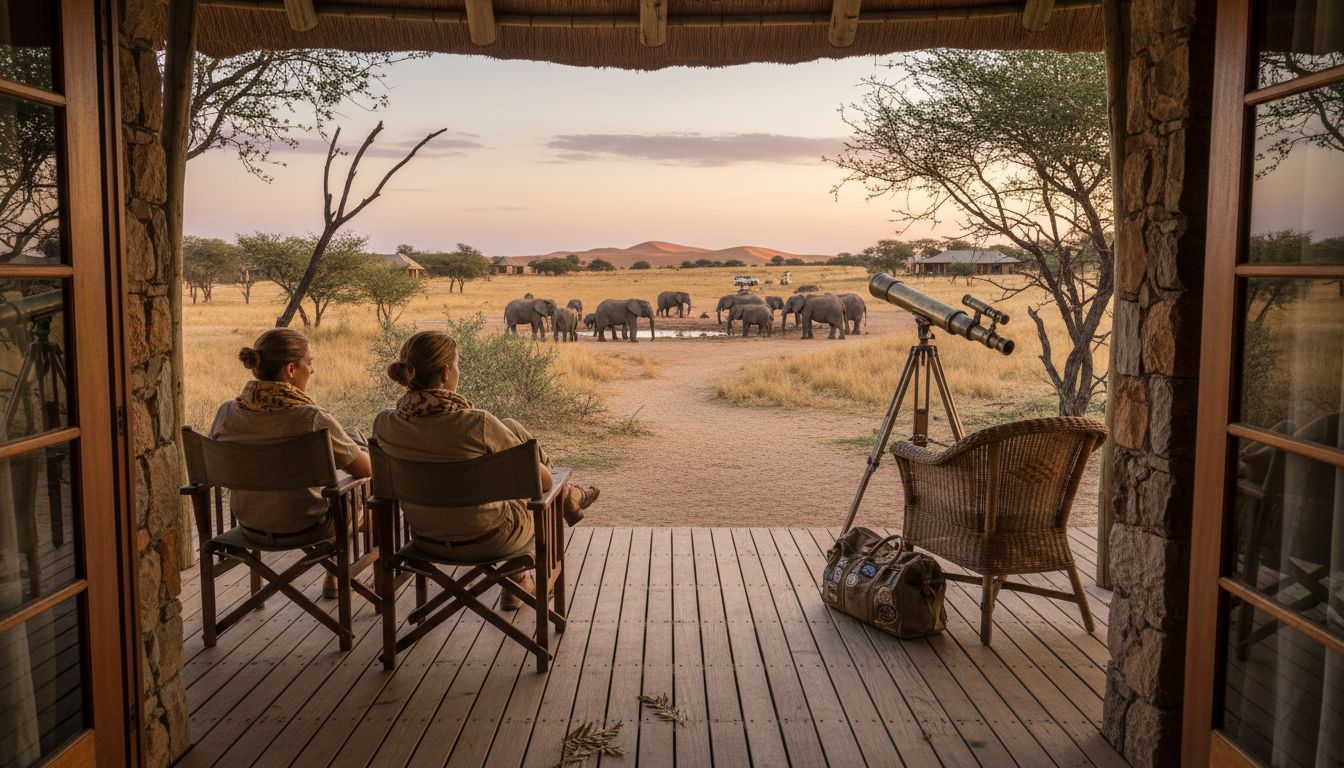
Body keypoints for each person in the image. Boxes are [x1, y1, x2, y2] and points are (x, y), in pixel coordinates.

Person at [373, 330, 598, 610]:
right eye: (456, 364)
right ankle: (566, 501)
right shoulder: (477, 424)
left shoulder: (385, 424)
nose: (458, 370)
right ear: (445, 373)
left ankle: (522, 575)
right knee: (538, 482)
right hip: (491, 538)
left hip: (425, 536)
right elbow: (541, 482)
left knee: (511, 427)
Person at [209, 328, 370, 599]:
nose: (313, 370)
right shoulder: (311, 418)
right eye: (310, 362)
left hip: (250, 523)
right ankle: (345, 577)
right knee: (367, 490)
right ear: (291, 369)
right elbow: (366, 471)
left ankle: (337, 574)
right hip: (308, 525)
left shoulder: (227, 413)